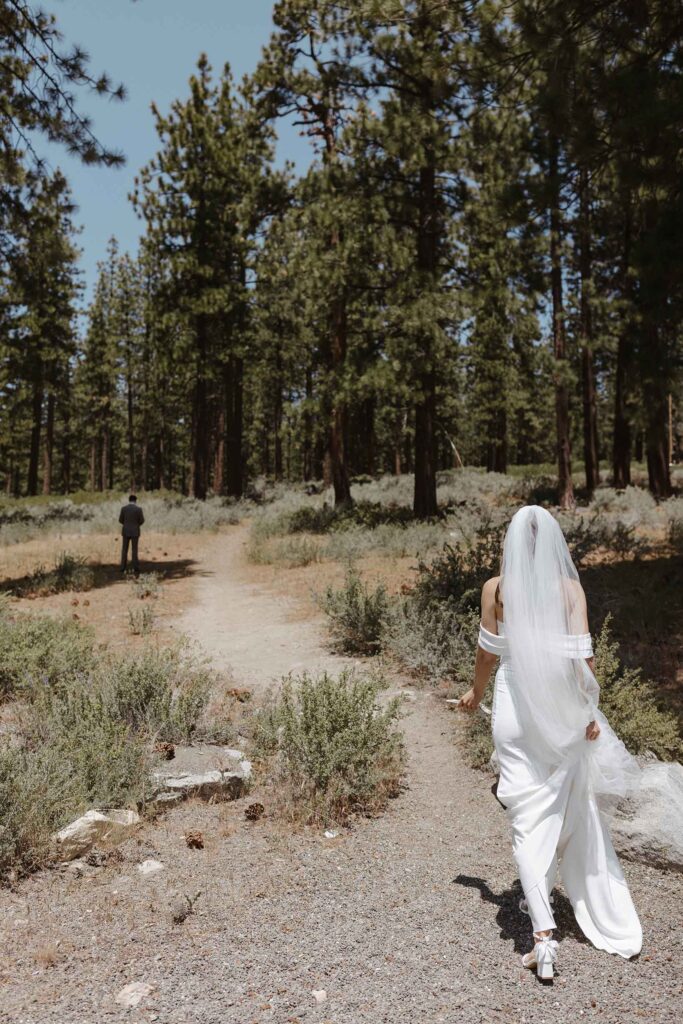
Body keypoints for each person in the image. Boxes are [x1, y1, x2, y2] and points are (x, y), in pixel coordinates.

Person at [458, 505, 642, 980]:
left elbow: (486, 652)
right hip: (559, 708)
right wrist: (588, 711)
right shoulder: (570, 590)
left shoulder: (496, 590)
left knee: (524, 812)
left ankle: (543, 933)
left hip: (514, 706)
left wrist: (474, 692)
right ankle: (545, 909)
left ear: (513, 543)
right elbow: (583, 659)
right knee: (558, 803)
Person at [118, 494, 145, 575]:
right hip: (135, 531)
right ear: (135, 500)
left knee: (124, 550)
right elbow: (142, 520)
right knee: (134, 550)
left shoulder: (124, 509)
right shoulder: (138, 509)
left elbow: (120, 520)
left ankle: (123, 567)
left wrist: (126, 524)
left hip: (126, 531)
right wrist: (136, 525)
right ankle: (135, 567)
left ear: (129, 500)